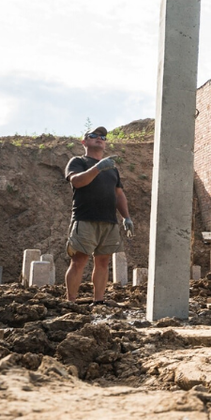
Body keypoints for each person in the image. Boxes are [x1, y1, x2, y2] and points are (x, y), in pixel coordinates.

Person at [63, 126, 133, 303]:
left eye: (102, 137)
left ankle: (99, 301)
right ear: (84, 142)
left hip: (109, 221)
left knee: (103, 263)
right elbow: (78, 182)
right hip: (85, 218)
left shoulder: (112, 169)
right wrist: (98, 168)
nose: (99, 138)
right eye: (93, 135)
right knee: (79, 261)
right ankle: (71, 302)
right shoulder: (77, 161)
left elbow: (118, 194)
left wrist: (126, 217)